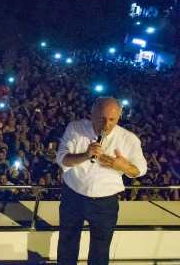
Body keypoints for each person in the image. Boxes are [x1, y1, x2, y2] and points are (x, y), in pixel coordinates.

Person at [56, 97, 147, 264]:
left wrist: (123, 166)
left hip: (105, 204)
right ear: (92, 114)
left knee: (100, 250)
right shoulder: (75, 128)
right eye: (101, 118)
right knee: (67, 244)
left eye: (112, 119)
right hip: (73, 197)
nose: (106, 124)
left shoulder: (129, 139)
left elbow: (140, 170)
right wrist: (85, 155)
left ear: (119, 117)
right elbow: (62, 160)